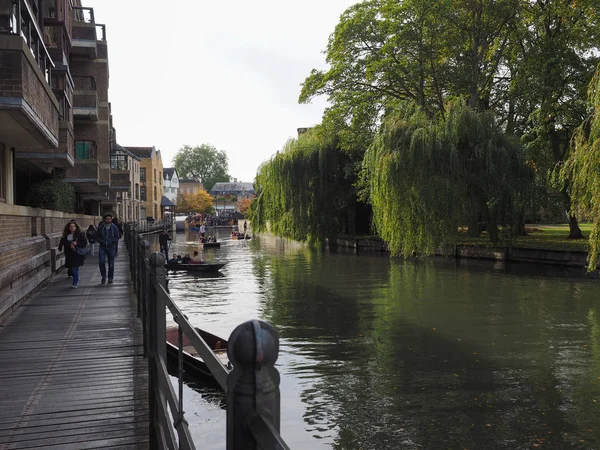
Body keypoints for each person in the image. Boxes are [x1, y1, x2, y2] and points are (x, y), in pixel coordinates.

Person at [58, 221, 88, 289]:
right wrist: (62, 247)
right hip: (69, 253)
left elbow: (84, 243)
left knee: (74, 267)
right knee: (73, 268)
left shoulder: (80, 234)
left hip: (77, 253)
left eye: (73, 226)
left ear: (76, 227)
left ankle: (75, 282)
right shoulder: (65, 235)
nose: (72, 228)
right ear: (68, 228)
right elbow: (62, 242)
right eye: (70, 226)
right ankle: (76, 277)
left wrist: (76, 243)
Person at [96, 213, 121, 284]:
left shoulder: (114, 227)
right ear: (104, 219)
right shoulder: (101, 227)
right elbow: (97, 237)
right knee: (101, 262)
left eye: (110, 219)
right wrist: (102, 242)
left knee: (111, 264)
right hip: (102, 247)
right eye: (107, 219)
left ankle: (110, 277)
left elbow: (117, 236)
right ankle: (103, 276)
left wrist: (112, 241)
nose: (108, 220)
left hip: (111, 247)